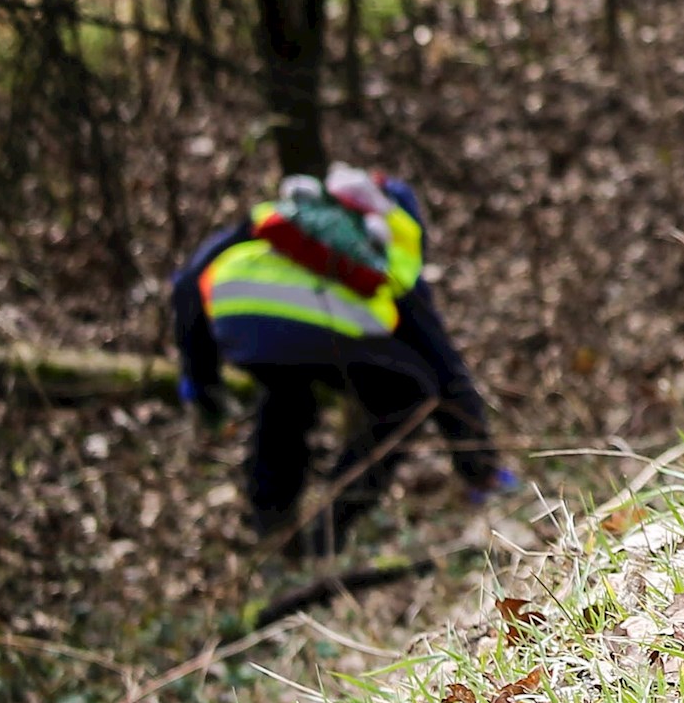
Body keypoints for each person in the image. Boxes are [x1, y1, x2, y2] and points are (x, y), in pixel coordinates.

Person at [170, 165, 513, 554]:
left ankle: (273, 526)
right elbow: (446, 368)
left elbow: (187, 285)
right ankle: (331, 529)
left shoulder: (291, 217)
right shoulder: (386, 243)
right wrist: (480, 469)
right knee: (413, 391)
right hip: (311, 323)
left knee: (288, 397)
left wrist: (200, 381)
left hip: (235, 317)